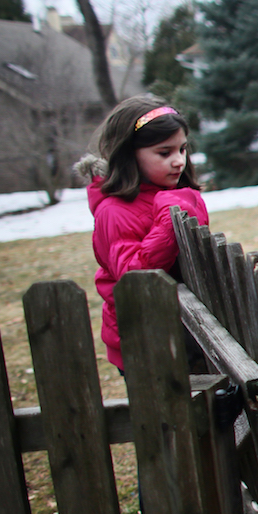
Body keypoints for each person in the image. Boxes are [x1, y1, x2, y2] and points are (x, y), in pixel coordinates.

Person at [75, 96, 209, 372]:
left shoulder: (172, 194)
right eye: (164, 153)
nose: (178, 161)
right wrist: (167, 223)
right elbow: (132, 279)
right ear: (129, 154)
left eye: (182, 149)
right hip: (144, 339)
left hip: (185, 328)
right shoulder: (113, 211)